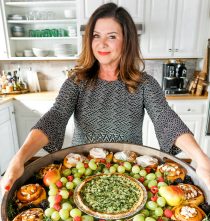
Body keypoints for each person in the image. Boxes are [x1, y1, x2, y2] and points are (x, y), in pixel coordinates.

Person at [1, 3, 210, 192]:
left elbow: (166, 119)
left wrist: (202, 160)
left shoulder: (144, 84)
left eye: (111, 36)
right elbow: (55, 117)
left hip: (129, 174)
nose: (101, 44)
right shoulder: (77, 81)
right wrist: (19, 158)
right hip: (81, 173)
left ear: (127, 41)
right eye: (95, 36)